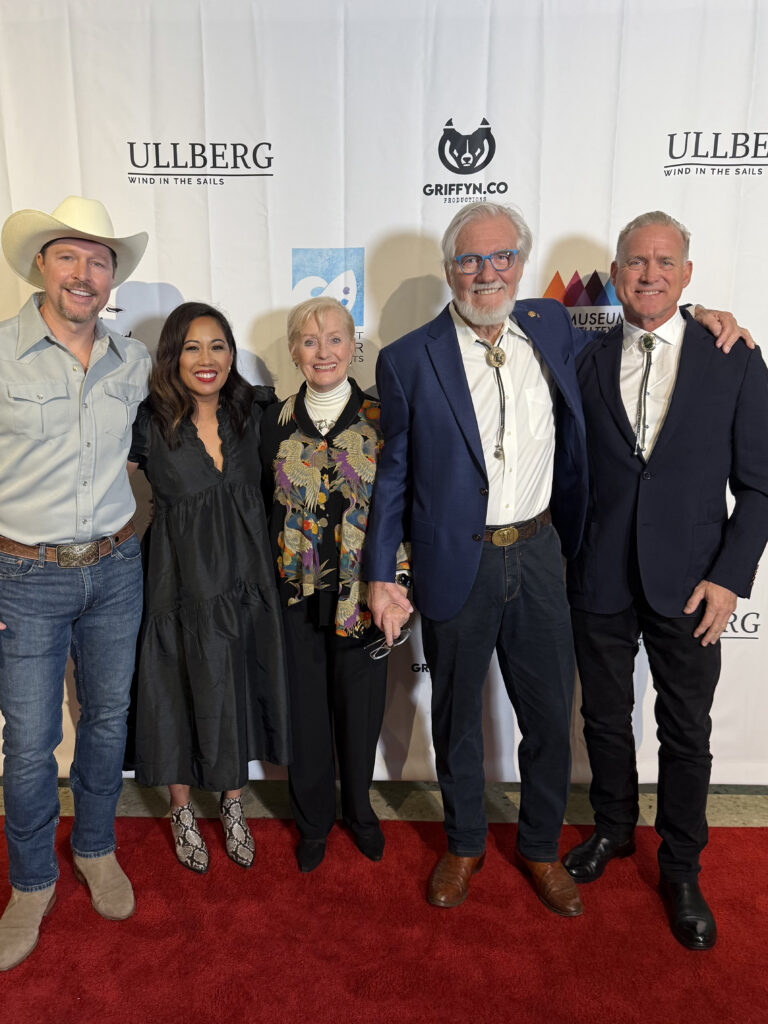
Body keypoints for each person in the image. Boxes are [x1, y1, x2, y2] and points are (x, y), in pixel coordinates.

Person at [363, 201, 749, 914]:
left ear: (521, 265)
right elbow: (393, 476)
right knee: (455, 721)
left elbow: (652, 310)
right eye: (472, 259)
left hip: (543, 555)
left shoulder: (550, 326)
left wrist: (708, 316)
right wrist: (382, 574)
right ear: (450, 268)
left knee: (548, 717)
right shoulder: (407, 358)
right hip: (458, 561)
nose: (488, 271)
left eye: (503, 256)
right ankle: (465, 843)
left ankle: (540, 847)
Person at [563, 212, 768, 950]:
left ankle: (681, 865)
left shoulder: (734, 357)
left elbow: (760, 485)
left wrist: (729, 578)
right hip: (599, 575)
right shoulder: (583, 359)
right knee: (604, 720)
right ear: (615, 276)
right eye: (634, 262)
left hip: (692, 583)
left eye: (663, 261)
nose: (648, 273)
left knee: (686, 731)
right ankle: (615, 829)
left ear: (686, 274)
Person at [0, 196, 149, 970]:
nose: (84, 274)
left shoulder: (132, 360)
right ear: (40, 267)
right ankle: (29, 882)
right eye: (69, 257)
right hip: (22, 574)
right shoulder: (0, 355)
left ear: (112, 276)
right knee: (27, 744)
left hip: (117, 570)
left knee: (107, 719)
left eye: (99, 260)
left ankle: (94, 846)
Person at [127, 302, 291, 873]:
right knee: (176, 691)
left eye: (217, 345)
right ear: (172, 356)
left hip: (248, 583)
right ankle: (180, 810)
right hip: (179, 586)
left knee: (238, 687)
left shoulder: (255, 410)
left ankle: (233, 803)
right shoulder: (145, 421)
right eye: (192, 347)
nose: (206, 359)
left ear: (231, 354)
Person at [260, 297, 409, 873]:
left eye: (335, 339)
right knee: (305, 711)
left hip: (363, 595)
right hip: (293, 592)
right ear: (294, 351)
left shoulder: (383, 417)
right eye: (309, 339)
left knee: (360, 709)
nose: (323, 351)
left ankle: (360, 812)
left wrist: (396, 582)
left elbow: (403, 507)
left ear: (355, 346)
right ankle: (314, 819)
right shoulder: (268, 423)